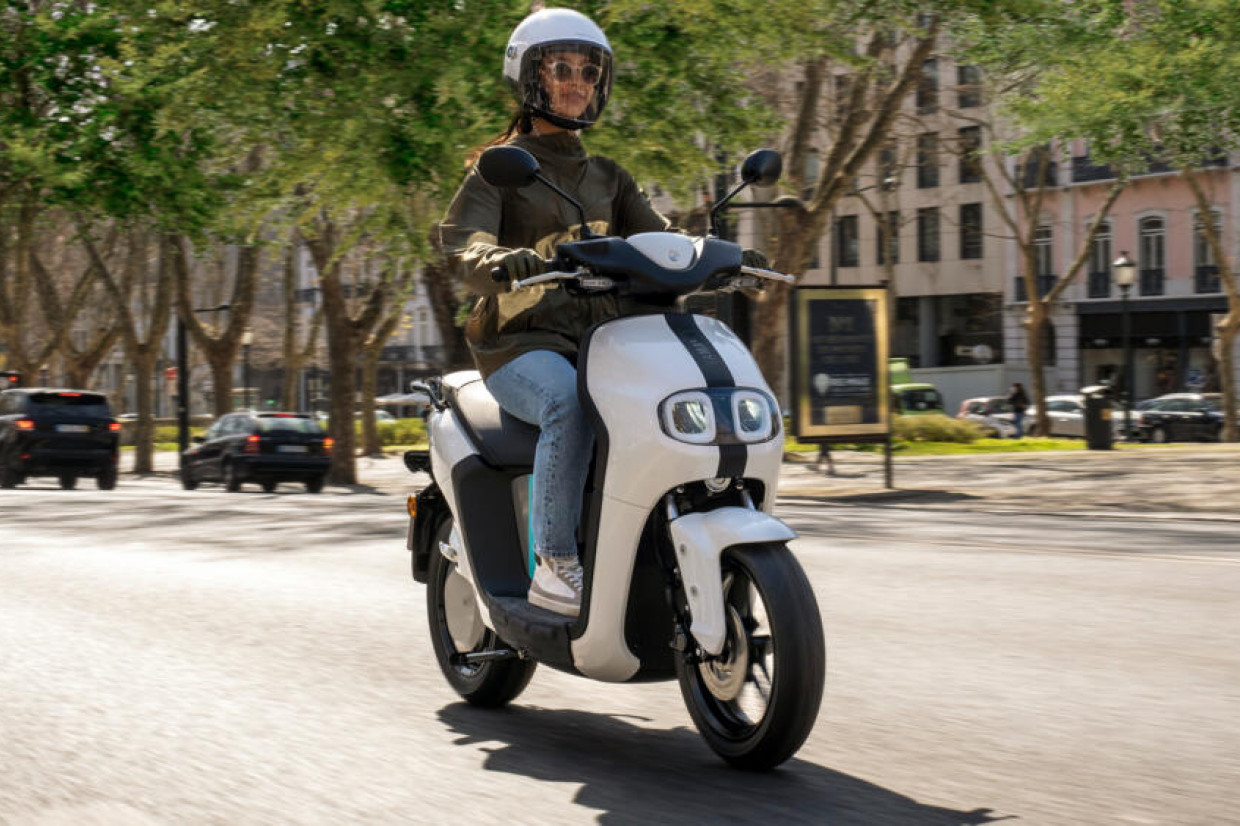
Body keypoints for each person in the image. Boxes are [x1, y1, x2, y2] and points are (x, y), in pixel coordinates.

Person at [438, 9, 668, 617]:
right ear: (531, 77)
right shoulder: (501, 168)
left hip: (601, 346)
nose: (577, 83)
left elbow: (660, 241)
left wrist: (713, 254)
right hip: (520, 346)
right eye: (561, 69)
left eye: (588, 73)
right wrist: (496, 259)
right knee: (569, 402)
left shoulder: (610, 177)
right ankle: (555, 563)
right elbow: (463, 244)